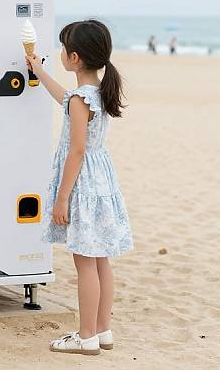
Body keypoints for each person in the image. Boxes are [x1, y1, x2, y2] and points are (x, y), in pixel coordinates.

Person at [26, 20, 133, 356]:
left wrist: (61, 199)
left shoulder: (79, 99)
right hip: (102, 180)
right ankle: (102, 331)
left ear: (74, 58)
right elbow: (66, 98)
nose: (60, 54)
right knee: (101, 259)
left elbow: (76, 150)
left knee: (84, 261)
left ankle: (85, 335)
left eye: (62, 48)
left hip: (81, 183)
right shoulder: (97, 92)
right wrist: (39, 71)